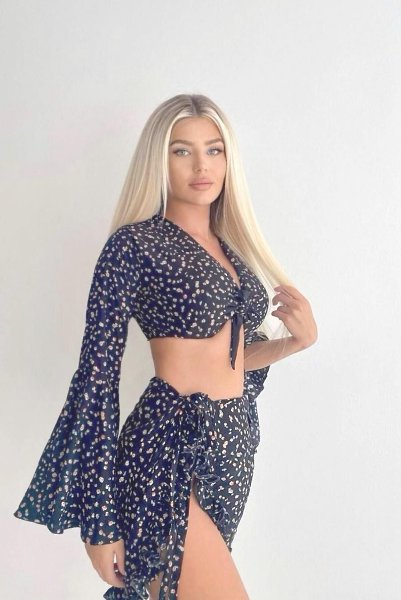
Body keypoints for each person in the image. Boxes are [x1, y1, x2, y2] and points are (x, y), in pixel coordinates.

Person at [13, 93, 317, 599]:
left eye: (214, 149)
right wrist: (100, 521)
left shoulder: (234, 252)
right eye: (182, 151)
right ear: (159, 159)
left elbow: (231, 362)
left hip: (231, 451)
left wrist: (296, 342)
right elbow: (96, 380)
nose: (202, 165)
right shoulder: (133, 246)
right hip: (167, 448)